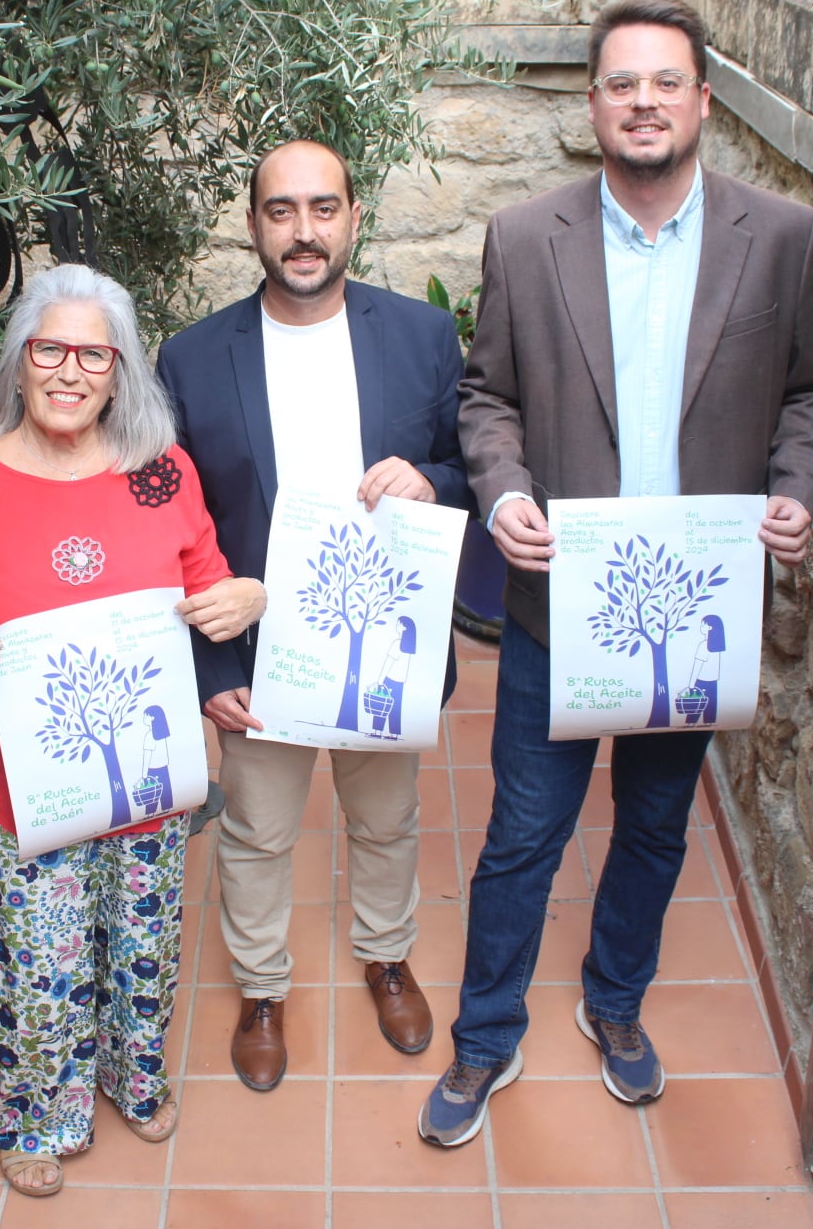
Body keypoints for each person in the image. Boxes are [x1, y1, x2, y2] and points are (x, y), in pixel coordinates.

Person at [420, 0, 813, 1145]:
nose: (644, 101)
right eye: (621, 82)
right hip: (561, 604)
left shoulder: (784, 236)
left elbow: (809, 393)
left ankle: (614, 1003)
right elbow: (487, 394)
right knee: (522, 833)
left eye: (666, 82)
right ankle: (485, 1037)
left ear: (703, 100)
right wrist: (502, 490)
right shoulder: (523, 236)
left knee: (656, 826)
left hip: (693, 615)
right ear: (591, 102)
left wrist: (796, 494)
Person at [0, 264, 266, 1197]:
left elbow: (210, 577)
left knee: (144, 934)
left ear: (120, 370)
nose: (70, 371)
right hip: (16, 776)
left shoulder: (161, 471)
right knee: (36, 948)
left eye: (95, 353)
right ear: (19, 362)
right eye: (50, 348)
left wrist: (245, 597)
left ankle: (132, 1078)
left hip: (143, 769)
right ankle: (36, 1111)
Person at [157, 140, 470, 1090]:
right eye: (282, 211)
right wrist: (212, 671)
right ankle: (262, 987)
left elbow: (474, 464)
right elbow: (176, 523)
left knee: (387, 820)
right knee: (257, 833)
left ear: (353, 219)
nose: (304, 231)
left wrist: (431, 478)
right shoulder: (195, 357)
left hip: (383, 645)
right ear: (253, 224)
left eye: (323, 208)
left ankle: (386, 953)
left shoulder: (420, 337)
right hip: (257, 647)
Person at [371, 615, 418, 738]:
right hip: (400, 682)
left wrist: (379, 682)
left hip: (390, 679)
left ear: (404, 628)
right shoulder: (408, 647)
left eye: (399, 624)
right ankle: (394, 734)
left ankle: (377, 732)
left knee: (381, 705)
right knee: (396, 708)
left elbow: (388, 664)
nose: (397, 626)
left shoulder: (397, 644)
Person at [684, 614, 725, 725]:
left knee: (696, 705)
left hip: (701, 681)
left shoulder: (704, 645)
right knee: (710, 706)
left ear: (710, 627)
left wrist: (691, 684)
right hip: (713, 681)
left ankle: (690, 724)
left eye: (703, 625)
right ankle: (708, 723)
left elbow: (697, 666)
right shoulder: (717, 646)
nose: (701, 627)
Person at [138, 706, 175, 816]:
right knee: (165, 790)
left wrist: (144, 775)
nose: (144, 718)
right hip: (163, 766)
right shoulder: (161, 734)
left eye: (145, 716)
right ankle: (166, 809)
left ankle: (150, 813)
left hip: (153, 769)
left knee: (151, 793)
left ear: (152, 718)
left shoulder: (149, 735)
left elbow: (147, 756)